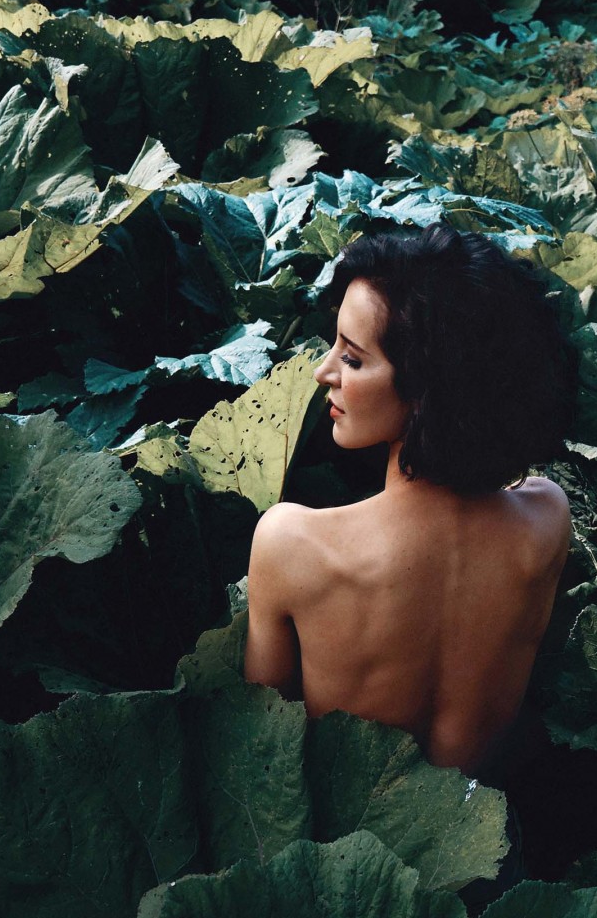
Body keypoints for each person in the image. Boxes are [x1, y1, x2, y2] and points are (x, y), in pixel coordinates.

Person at [242, 223, 576, 783]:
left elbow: (259, 746)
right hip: (486, 827)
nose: (323, 371)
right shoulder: (546, 519)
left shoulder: (292, 544)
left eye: (352, 359)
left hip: (343, 836)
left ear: (427, 389)